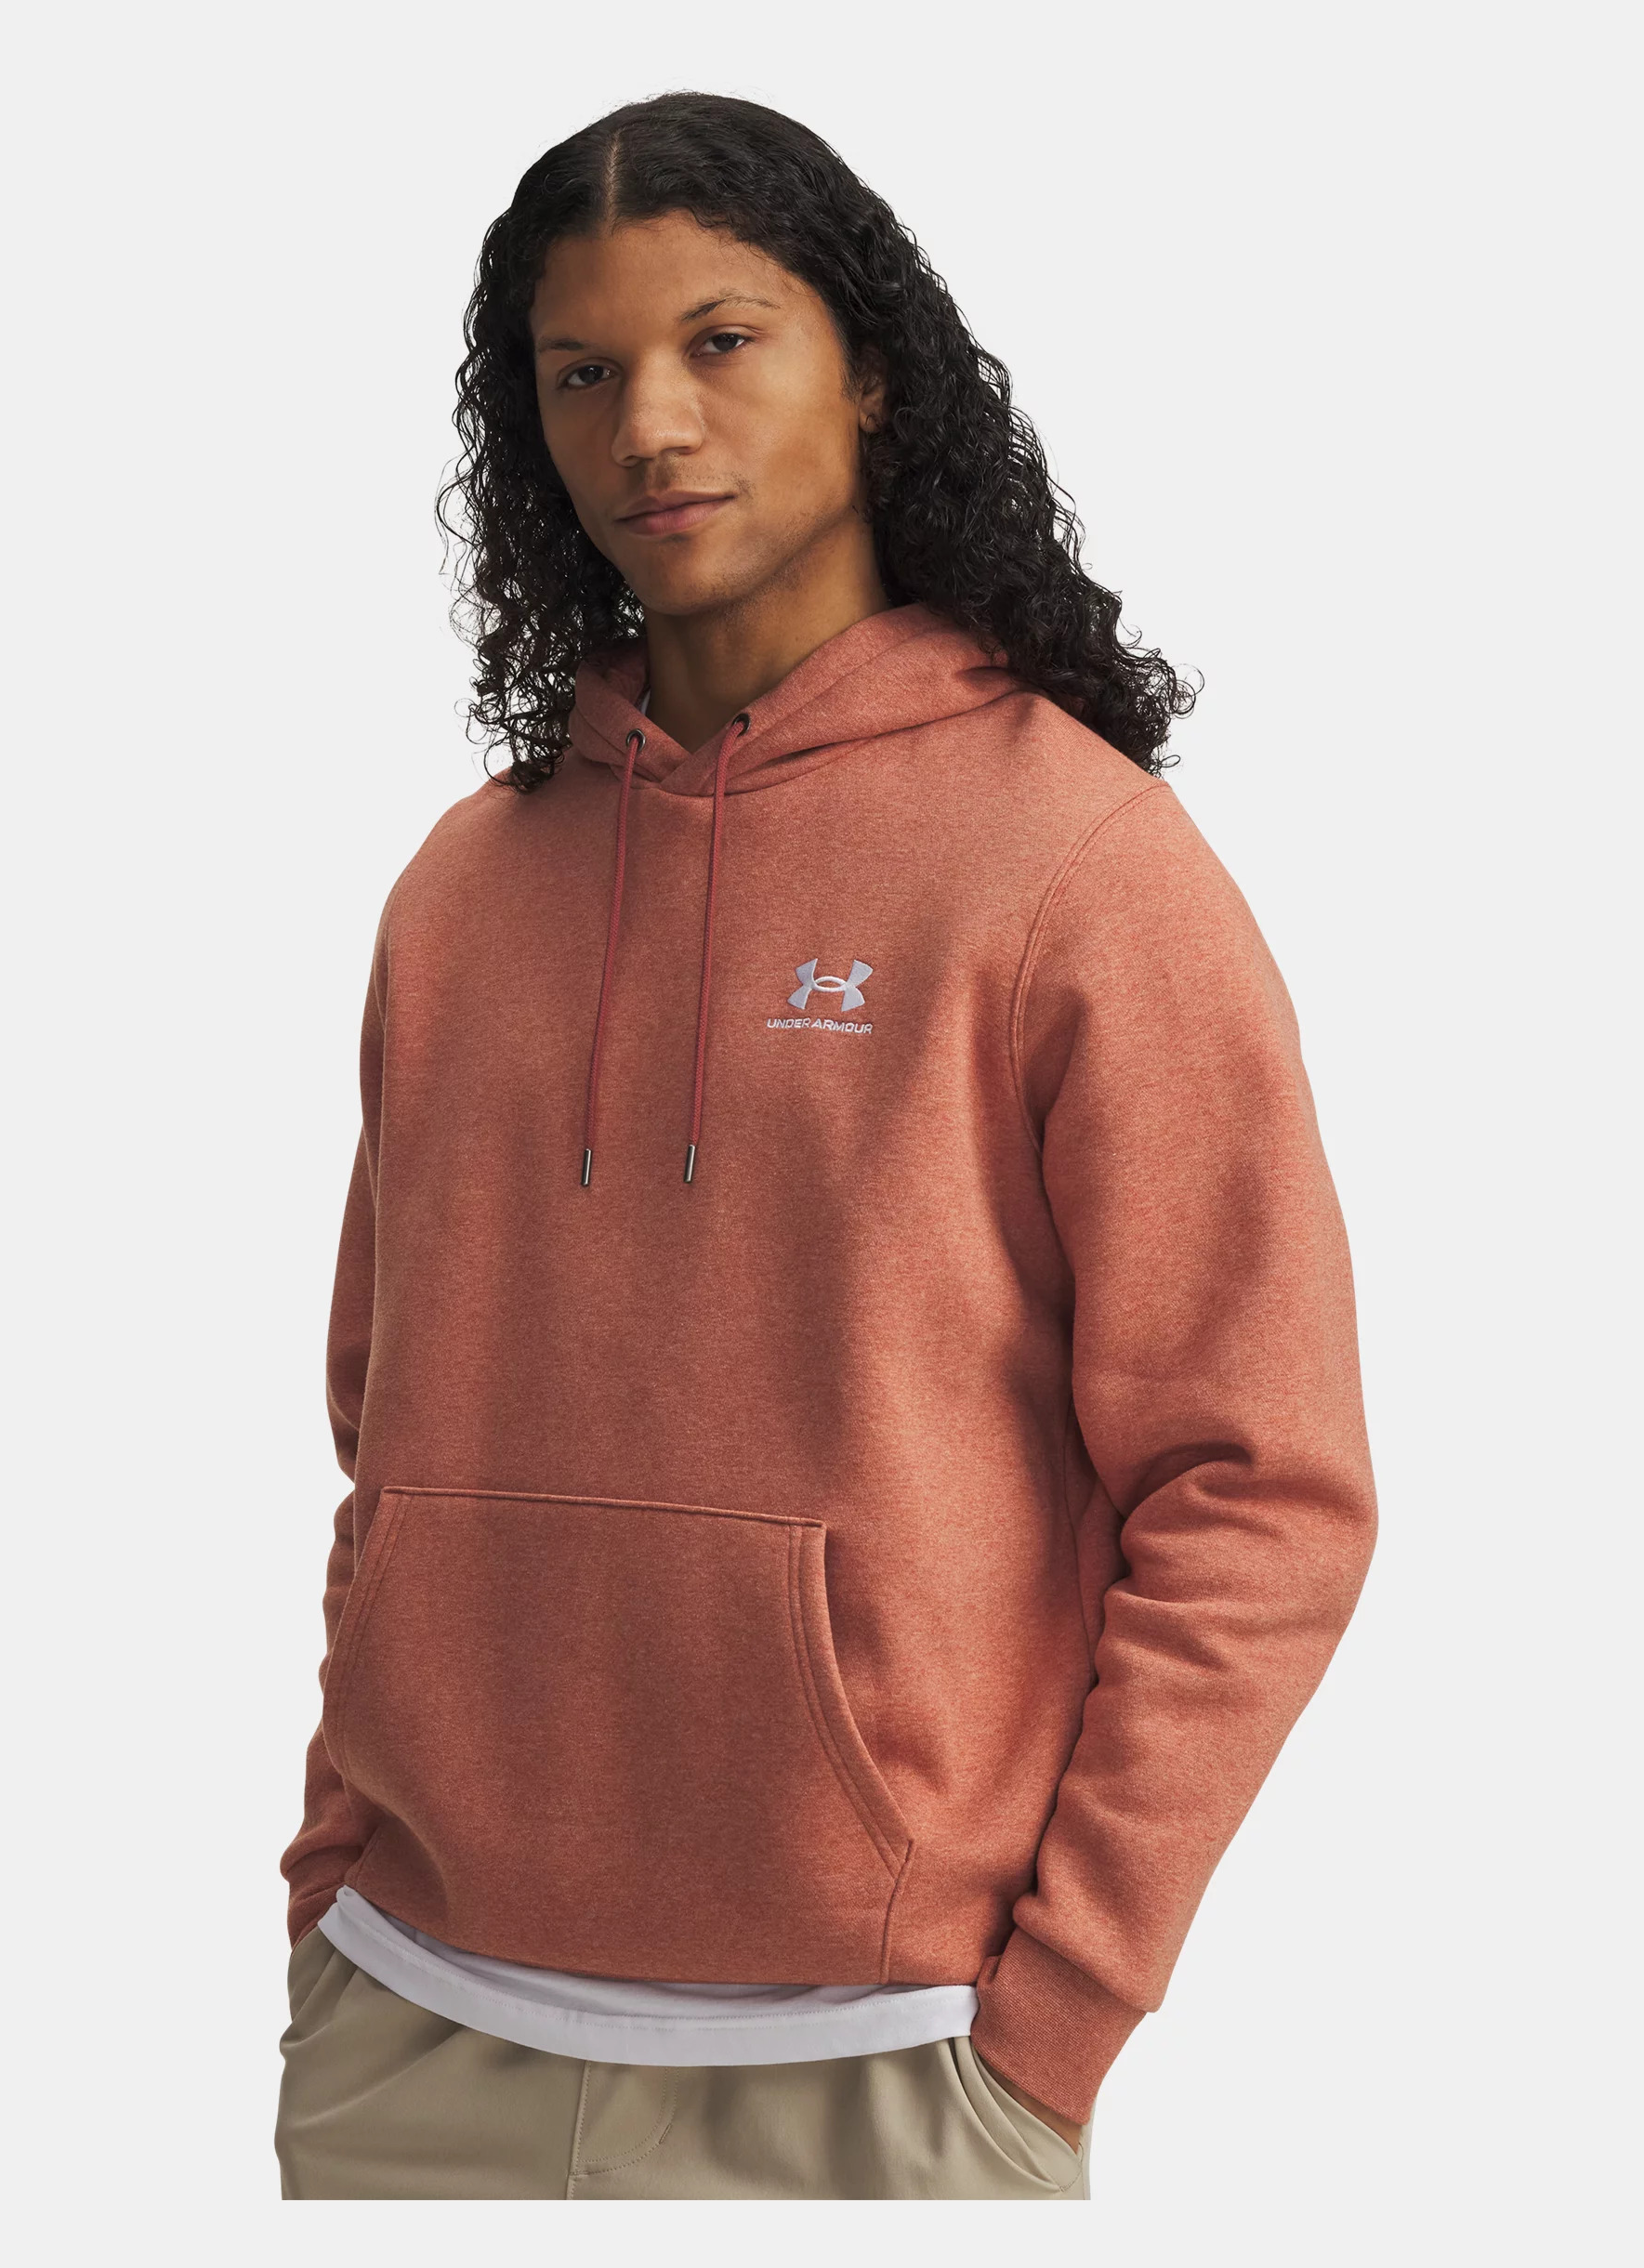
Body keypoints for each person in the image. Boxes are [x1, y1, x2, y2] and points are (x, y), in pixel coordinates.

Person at [274, 90, 1377, 2202]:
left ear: (871, 370)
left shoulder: (1074, 865)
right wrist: (333, 1887)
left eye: (721, 342)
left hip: (880, 2072)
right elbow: (383, 1422)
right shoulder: (463, 890)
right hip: (413, 2034)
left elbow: (1264, 1487)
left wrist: (1060, 2010)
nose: (649, 427)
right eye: (580, 373)